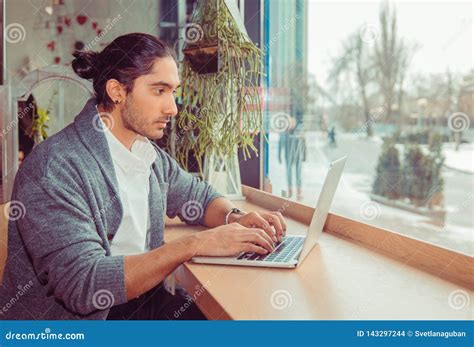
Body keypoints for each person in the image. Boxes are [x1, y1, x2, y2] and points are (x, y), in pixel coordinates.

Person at [1, 33, 287, 320]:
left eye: (173, 92)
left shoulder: (145, 152)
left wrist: (233, 217)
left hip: (142, 302)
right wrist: (196, 244)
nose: (172, 108)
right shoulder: (55, 168)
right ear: (117, 91)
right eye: (159, 91)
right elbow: (84, 285)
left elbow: (196, 196)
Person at [278, 116, 306, 200]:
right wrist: (279, 156)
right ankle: (290, 191)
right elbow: (280, 145)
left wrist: (304, 155)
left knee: (298, 174)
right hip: (288, 157)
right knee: (289, 173)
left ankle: (299, 192)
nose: (291, 124)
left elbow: (304, 144)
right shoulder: (284, 133)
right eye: (290, 122)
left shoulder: (299, 132)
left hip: (298, 157)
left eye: (293, 122)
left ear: (295, 123)